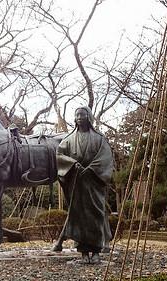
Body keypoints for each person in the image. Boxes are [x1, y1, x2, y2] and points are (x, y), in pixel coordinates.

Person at [52, 106, 113, 264]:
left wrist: (92, 169)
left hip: (93, 182)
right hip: (77, 184)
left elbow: (105, 158)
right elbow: (59, 154)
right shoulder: (69, 139)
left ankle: (97, 252)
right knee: (80, 217)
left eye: (82, 115)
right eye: (77, 115)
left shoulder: (99, 138)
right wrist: (73, 164)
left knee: (96, 215)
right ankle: (84, 252)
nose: (79, 117)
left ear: (88, 117)